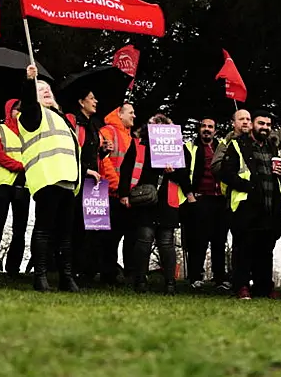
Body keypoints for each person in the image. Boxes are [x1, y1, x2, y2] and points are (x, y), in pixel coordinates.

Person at [220, 109, 281, 299]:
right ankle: (242, 286)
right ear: (252, 124)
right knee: (244, 248)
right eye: (261, 123)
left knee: (265, 249)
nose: (265, 128)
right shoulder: (237, 145)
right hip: (246, 206)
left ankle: (264, 287)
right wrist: (249, 186)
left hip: (271, 207)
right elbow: (226, 173)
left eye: (268, 125)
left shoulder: (272, 147)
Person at [19, 65, 82, 293]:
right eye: (40, 88)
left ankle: (66, 277)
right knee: (44, 229)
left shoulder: (62, 118)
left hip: (67, 182)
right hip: (46, 178)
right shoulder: (33, 115)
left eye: (47, 89)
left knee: (65, 234)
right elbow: (28, 104)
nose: (45, 90)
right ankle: (40, 276)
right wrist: (29, 82)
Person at [119, 114, 191, 294]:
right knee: (144, 239)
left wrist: (173, 171)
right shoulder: (139, 145)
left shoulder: (179, 148)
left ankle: (170, 284)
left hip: (167, 200)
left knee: (165, 242)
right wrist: (124, 194)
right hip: (145, 199)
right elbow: (126, 170)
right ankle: (141, 281)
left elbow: (185, 177)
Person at [181, 117, 231, 290]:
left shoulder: (221, 148)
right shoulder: (189, 147)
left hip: (220, 199)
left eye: (211, 126)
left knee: (219, 241)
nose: (207, 129)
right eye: (204, 126)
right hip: (200, 198)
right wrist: (190, 195)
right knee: (198, 241)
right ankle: (196, 277)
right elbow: (183, 172)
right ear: (199, 129)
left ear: (215, 130)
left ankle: (219, 279)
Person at [0, 99, 29, 278]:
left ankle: (13, 269)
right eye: (17, 110)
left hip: (23, 183)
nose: (20, 113)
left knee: (20, 228)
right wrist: (21, 166)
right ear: (9, 111)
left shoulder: (28, 133)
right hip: (3, 182)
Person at [66, 89, 108, 283]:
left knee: (93, 228)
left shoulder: (94, 125)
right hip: (79, 180)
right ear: (81, 102)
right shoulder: (73, 122)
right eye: (91, 98)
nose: (96, 101)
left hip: (94, 183)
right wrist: (85, 171)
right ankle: (73, 270)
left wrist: (104, 152)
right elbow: (71, 151)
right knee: (77, 227)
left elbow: (92, 153)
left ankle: (87, 270)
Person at [98, 103, 137, 283]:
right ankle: (108, 274)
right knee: (109, 239)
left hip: (124, 195)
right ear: (120, 114)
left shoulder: (130, 138)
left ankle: (124, 273)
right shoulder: (108, 132)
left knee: (126, 237)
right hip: (111, 194)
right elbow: (104, 162)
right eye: (130, 112)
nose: (134, 116)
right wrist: (118, 188)